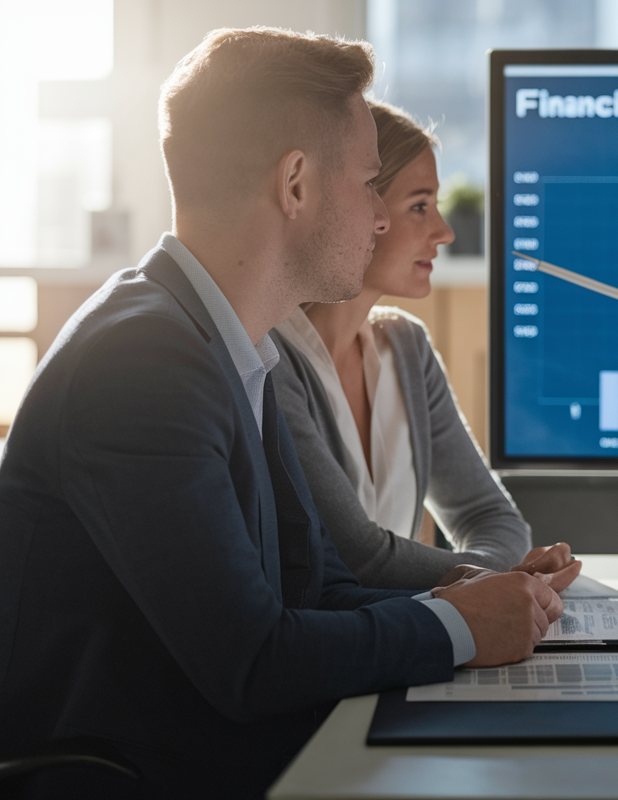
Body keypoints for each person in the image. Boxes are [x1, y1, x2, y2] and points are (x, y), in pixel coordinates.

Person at [0, 28, 571, 799]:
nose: (378, 218)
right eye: (370, 182)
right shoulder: (144, 366)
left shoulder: (228, 346)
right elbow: (251, 659)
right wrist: (460, 628)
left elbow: (318, 586)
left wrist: (468, 597)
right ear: (296, 183)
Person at [270, 101, 569, 590]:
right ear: (359, 208)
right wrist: (503, 579)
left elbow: (489, 514)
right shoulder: (272, 361)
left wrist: (499, 578)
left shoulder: (406, 346)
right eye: (419, 206)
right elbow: (357, 558)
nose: (445, 232)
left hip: (418, 641)